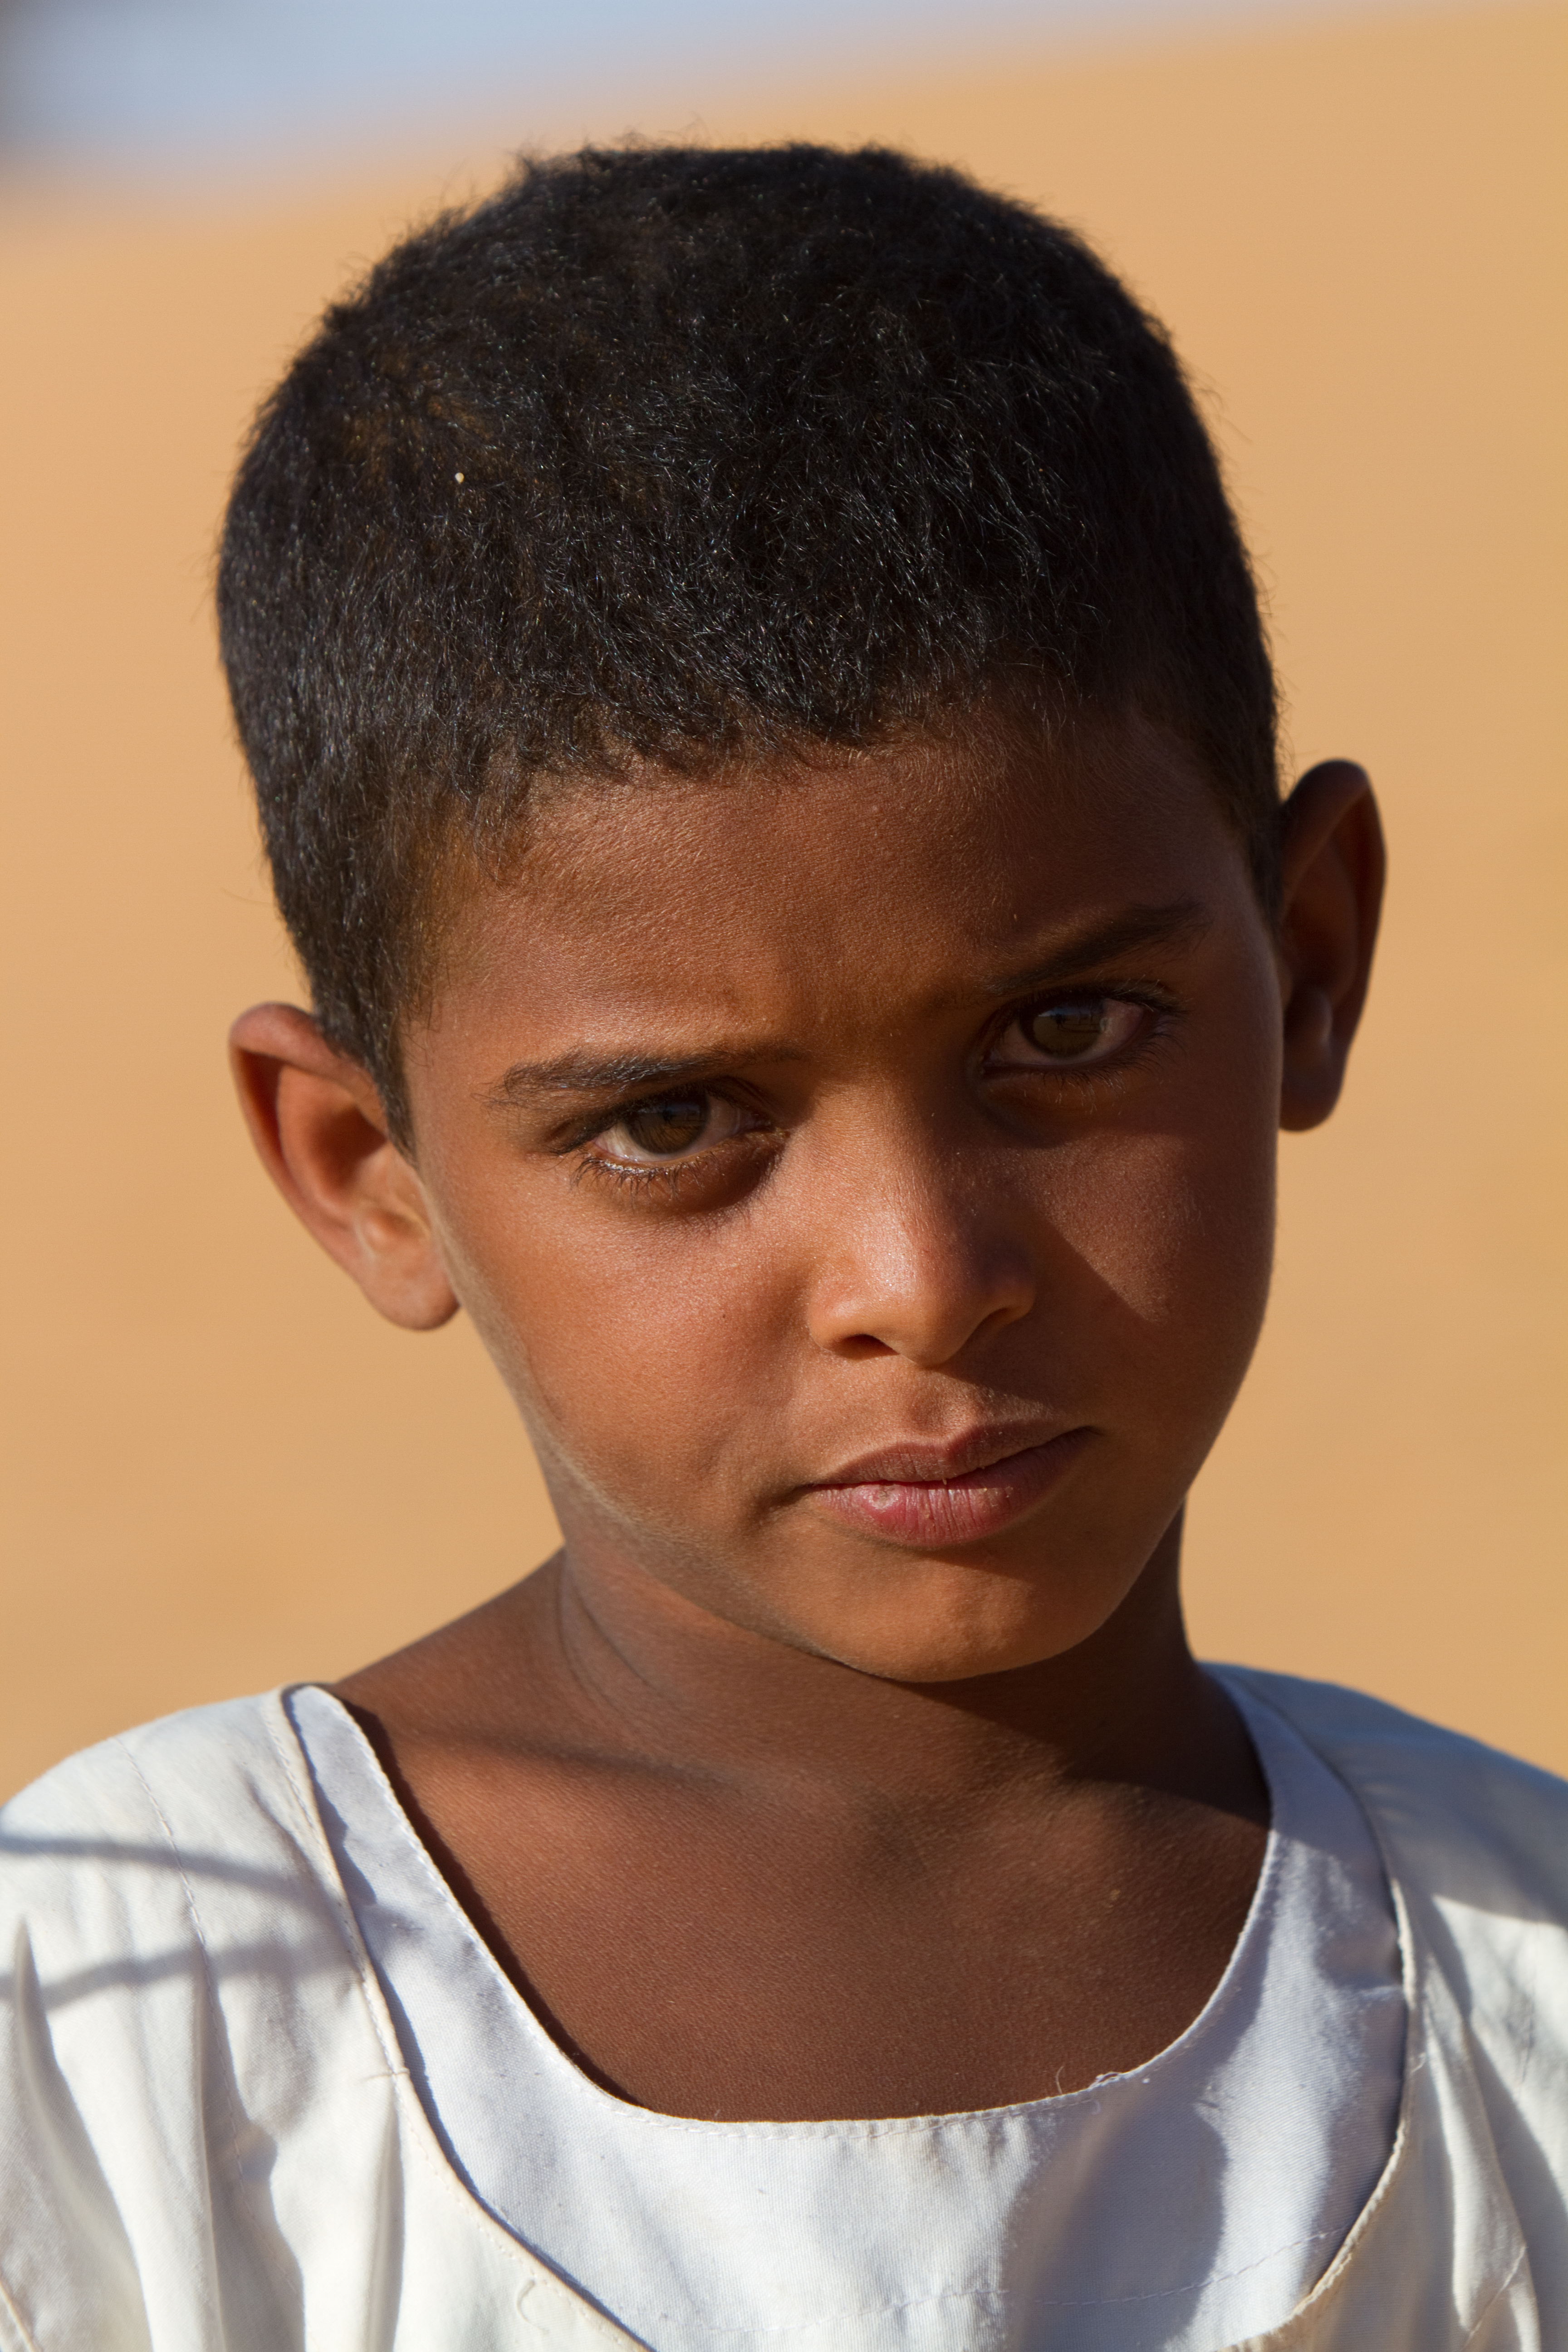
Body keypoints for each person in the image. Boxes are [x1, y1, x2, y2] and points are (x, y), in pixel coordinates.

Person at [1, 143, 1563, 2352]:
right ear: (368, 1167)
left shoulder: (1526, 1982)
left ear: (1310, 959)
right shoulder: (127, 2036)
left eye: (1068, 1033)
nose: (921, 1278)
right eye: (672, 1125)